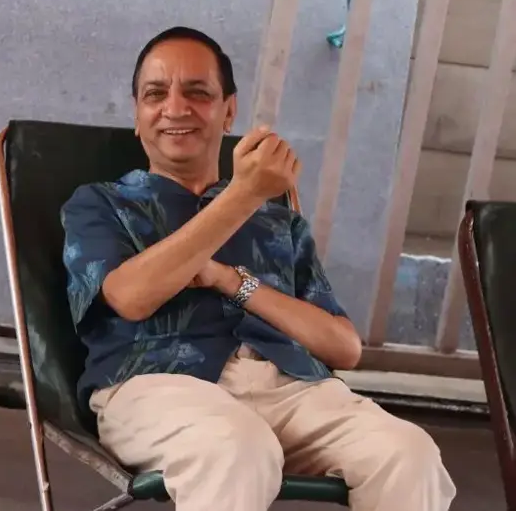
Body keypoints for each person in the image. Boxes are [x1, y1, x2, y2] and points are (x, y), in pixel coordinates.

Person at [61, 26, 455, 511]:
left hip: (289, 388)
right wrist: (244, 194)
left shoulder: (278, 222)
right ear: (137, 115)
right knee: (236, 446)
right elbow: (130, 297)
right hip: (154, 382)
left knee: (408, 454)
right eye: (156, 94)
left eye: (198, 92)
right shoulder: (102, 204)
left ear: (229, 111)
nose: (175, 108)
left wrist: (233, 281)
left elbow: (343, 347)